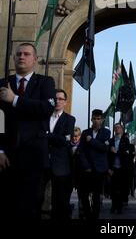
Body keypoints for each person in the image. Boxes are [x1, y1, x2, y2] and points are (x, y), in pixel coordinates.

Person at [0, 43, 56, 219]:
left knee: (30, 206)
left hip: (33, 155)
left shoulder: (45, 83)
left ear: (35, 60)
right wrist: (0, 150)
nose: (21, 57)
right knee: (8, 205)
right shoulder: (3, 83)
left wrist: (14, 99)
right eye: (18, 54)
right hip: (6, 157)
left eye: (26, 54)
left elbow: (46, 108)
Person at [45, 89, 75, 220]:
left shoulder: (69, 119)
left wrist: (46, 135)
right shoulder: (43, 117)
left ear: (65, 102)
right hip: (42, 161)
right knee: (36, 195)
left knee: (59, 199)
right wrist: (55, 137)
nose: (57, 101)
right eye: (55, 99)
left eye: (60, 99)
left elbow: (65, 140)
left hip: (60, 165)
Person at [78, 109, 110, 220]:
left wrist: (91, 141)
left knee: (96, 195)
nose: (96, 121)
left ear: (102, 120)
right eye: (94, 118)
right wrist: (85, 165)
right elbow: (80, 150)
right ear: (91, 119)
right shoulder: (85, 133)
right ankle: (87, 214)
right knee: (83, 194)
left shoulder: (106, 132)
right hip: (87, 168)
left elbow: (104, 148)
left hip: (99, 169)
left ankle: (94, 216)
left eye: (98, 119)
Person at [108, 123, 130, 214]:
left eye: (118, 127)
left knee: (121, 189)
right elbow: (107, 156)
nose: (117, 129)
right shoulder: (111, 141)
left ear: (122, 129)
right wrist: (108, 168)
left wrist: (116, 152)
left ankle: (119, 207)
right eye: (115, 128)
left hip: (122, 169)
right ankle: (113, 206)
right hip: (113, 169)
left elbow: (126, 153)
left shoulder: (125, 140)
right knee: (113, 189)